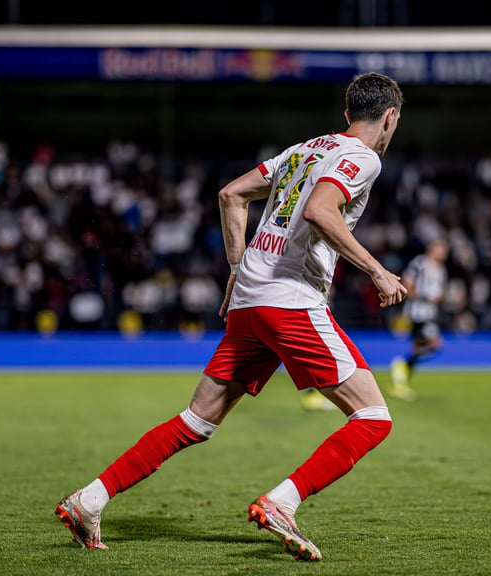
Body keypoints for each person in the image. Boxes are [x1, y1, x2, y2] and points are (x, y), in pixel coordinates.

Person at [54, 72, 406, 561]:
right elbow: (321, 211)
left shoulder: (302, 149)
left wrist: (238, 269)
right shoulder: (363, 158)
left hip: (251, 299)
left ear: (348, 113)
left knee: (196, 421)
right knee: (373, 417)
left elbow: (230, 196)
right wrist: (377, 271)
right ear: (390, 117)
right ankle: (283, 502)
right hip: (290, 298)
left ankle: (89, 500)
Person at [389, 237, 449, 400]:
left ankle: (400, 379)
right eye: (440, 248)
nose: (444, 252)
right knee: (435, 344)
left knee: (419, 347)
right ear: (431, 248)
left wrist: (439, 298)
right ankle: (401, 366)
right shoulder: (420, 263)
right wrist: (422, 297)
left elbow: (440, 291)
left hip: (430, 313)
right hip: (418, 313)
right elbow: (407, 282)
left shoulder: (441, 269)